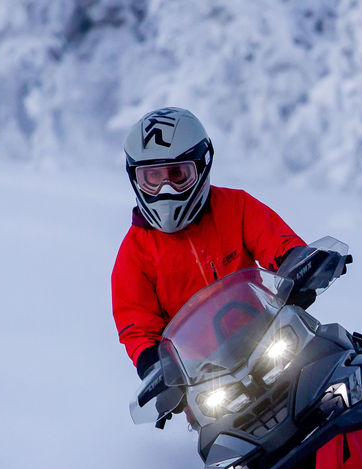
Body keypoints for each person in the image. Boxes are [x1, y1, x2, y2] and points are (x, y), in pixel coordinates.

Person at [111, 107, 306, 378]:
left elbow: (278, 242)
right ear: (135, 178)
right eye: (153, 178)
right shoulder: (135, 252)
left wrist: (301, 264)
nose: (165, 189)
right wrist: (153, 364)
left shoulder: (236, 208)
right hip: (204, 379)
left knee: (341, 374)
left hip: (269, 343)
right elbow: (136, 323)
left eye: (177, 175)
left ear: (202, 166)